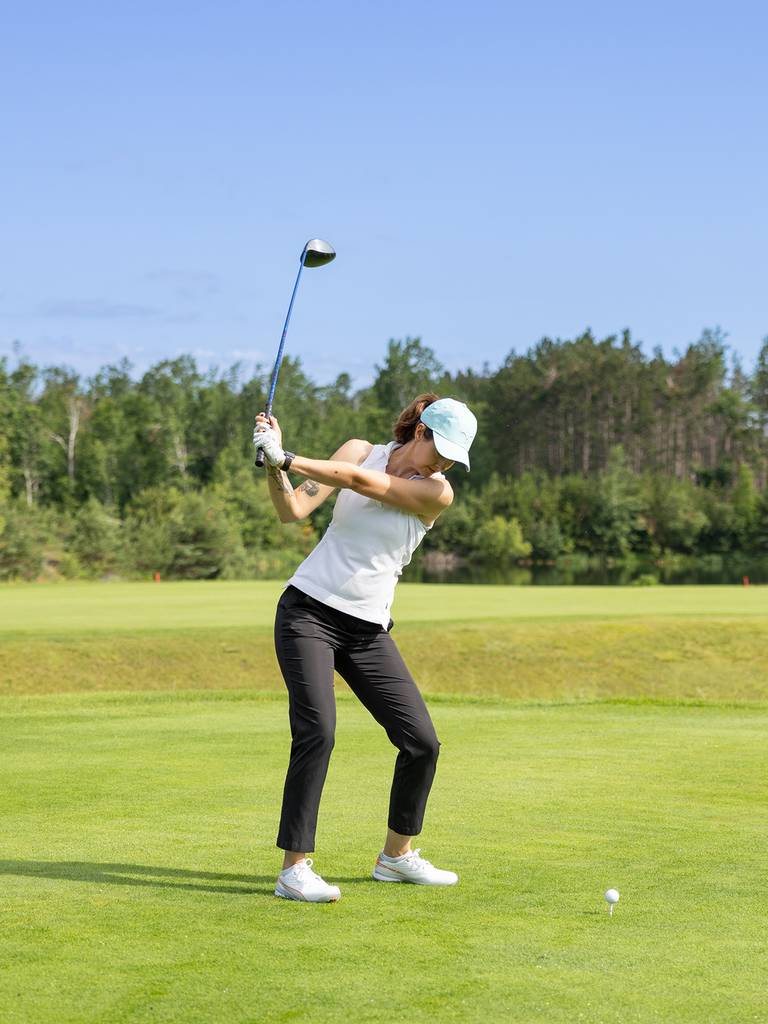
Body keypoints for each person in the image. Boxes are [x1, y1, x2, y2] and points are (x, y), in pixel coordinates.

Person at [252, 393, 478, 903]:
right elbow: (292, 509)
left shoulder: (436, 492)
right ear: (419, 431)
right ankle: (294, 870)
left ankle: (396, 857)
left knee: (422, 742)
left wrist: (288, 455)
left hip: (367, 630)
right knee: (317, 731)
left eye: (453, 458)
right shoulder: (359, 450)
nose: (443, 464)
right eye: (440, 450)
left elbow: (358, 483)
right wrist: (274, 465)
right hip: (308, 611)